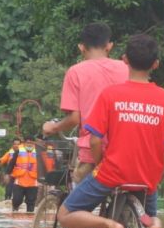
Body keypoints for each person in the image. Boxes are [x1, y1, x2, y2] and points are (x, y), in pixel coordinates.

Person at [57, 34, 164, 228]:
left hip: (113, 173)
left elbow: (95, 140)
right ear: (156, 64)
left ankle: (109, 225)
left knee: (64, 215)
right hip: (147, 178)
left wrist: (100, 161)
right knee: (151, 216)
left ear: (124, 60)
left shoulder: (110, 95)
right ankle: (153, 226)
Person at [42, 22, 129, 183]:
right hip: (125, 147)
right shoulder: (126, 68)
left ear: (81, 47)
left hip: (92, 149)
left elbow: (75, 119)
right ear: (109, 46)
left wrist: (53, 127)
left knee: (75, 202)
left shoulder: (75, 72)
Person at [8, 137, 38, 213]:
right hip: (20, 181)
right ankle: (14, 213)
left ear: (34, 143)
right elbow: (12, 163)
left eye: (31, 142)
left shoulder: (38, 152)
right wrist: (7, 174)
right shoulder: (18, 151)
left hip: (33, 182)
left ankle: (29, 221)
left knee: (31, 203)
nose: (29, 144)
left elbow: (43, 166)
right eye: (28, 142)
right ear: (24, 143)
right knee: (16, 200)